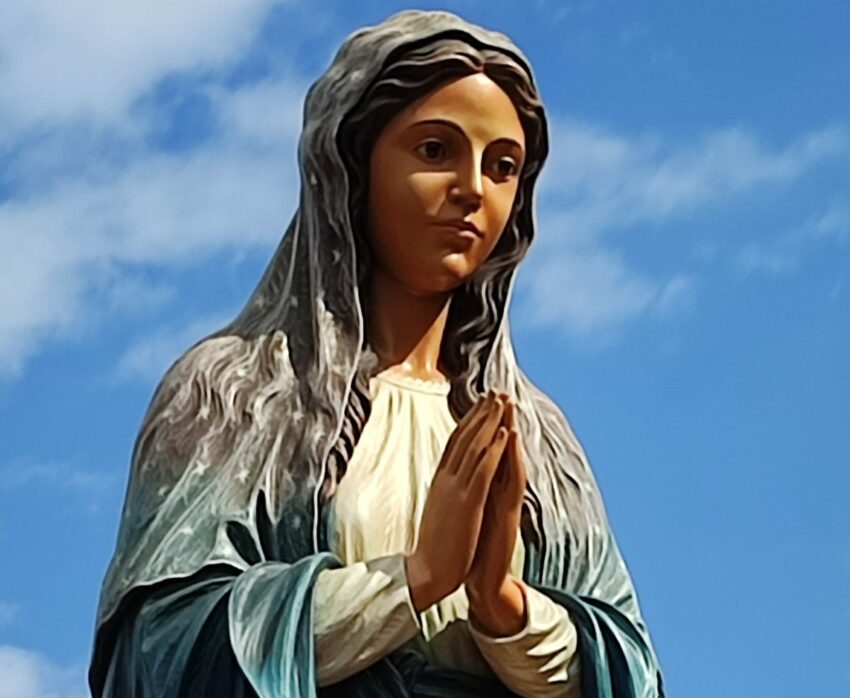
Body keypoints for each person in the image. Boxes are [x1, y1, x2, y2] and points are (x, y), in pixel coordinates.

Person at [88, 9, 665, 698]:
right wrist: (413, 580)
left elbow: (632, 671)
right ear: (351, 167)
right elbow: (159, 649)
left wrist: (503, 605)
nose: (472, 189)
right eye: (435, 150)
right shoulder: (233, 395)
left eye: (503, 166)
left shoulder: (539, 441)